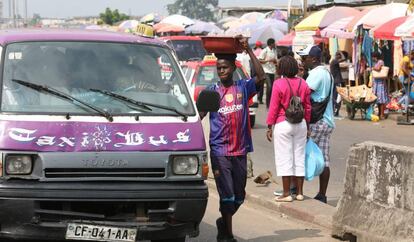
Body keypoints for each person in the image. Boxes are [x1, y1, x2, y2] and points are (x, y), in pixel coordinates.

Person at [201, 36, 266, 242]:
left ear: (233, 68)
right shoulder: (211, 92)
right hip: (220, 152)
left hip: (240, 151)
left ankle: (223, 221)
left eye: (225, 68)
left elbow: (262, 76)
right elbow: (198, 115)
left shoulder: (243, 88)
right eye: (218, 68)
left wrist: (249, 50)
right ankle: (227, 235)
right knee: (226, 195)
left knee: (239, 196)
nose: (221, 71)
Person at [266, 56, 311, 202]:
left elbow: (273, 107)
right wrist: (308, 126)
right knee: (299, 157)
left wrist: (269, 126)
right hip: (301, 124)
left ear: (281, 69)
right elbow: (308, 107)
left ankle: (286, 193)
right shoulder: (303, 83)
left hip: (283, 123)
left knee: (284, 157)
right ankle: (299, 193)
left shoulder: (278, 84)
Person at [298, 45, 335, 204]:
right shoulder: (327, 73)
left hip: (316, 121)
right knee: (325, 159)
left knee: (299, 153)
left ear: (313, 59)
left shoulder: (316, 74)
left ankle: (295, 189)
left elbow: (303, 94)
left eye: (304, 58)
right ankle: (322, 194)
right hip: (327, 120)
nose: (302, 61)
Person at [259, 38, 277, 108]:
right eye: (274, 43)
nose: (275, 44)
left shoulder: (275, 51)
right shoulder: (265, 51)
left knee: (272, 88)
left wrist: (275, 61)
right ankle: (267, 104)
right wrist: (268, 60)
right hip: (266, 71)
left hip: (272, 71)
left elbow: (275, 60)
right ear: (271, 44)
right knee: (269, 87)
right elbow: (260, 60)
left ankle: (271, 103)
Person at [371, 52, 390, 119]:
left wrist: (372, 68)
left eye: (373, 57)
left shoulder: (380, 61)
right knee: (378, 100)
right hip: (376, 83)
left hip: (380, 84)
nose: (372, 58)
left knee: (381, 99)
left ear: (375, 57)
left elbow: (379, 69)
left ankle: (382, 114)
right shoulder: (376, 62)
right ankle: (379, 113)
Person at [330, 51, 346, 117]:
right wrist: (341, 53)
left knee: (335, 97)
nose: (339, 57)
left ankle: (335, 111)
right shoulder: (334, 61)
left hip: (335, 81)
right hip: (337, 81)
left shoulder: (333, 62)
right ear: (337, 56)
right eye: (338, 56)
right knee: (337, 97)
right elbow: (344, 58)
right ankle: (336, 111)